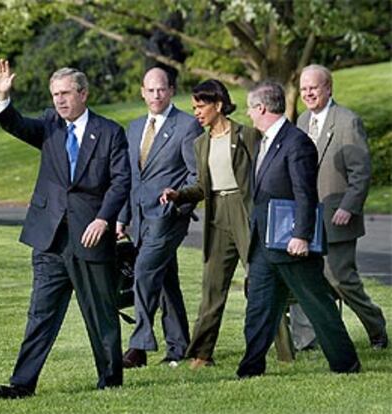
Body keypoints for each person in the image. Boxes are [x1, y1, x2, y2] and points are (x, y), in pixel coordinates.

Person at [0, 60, 131, 398]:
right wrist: (2, 97)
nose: (59, 100)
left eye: (66, 93)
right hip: (49, 238)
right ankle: (22, 384)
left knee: (101, 315)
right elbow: (17, 125)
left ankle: (110, 380)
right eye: (55, 94)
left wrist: (103, 218)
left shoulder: (110, 132)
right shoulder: (50, 125)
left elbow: (121, 181)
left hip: (90, 235)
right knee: (40, 313)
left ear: (83, 93)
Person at [236, 80, 361, 378]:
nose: (248, 114)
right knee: (259, 307)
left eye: (250, 108)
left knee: (318, 304)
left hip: (291, 242)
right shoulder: (264, 142)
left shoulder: (297, 142)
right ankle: (250, 368)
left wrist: (302, 235)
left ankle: (346, 363)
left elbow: (305, 192)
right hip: (265, 244)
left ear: (261, 108)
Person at [289, 64, 388, 351]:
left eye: (314, 87)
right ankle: (310, 340)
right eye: (304, 88)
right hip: (309, 217)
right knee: (309, 279)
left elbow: (361, 173)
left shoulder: (347, 121)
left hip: (338, 218)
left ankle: (376, 326)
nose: (308, 93)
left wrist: (349, 207)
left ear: (328, 88)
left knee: (341, 279)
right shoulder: (302, 121)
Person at [160, 79, 258, 369]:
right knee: (212, 286)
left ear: (218, 104)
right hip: (217, 215)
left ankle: (281, 349)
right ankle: (202, 353)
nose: (197, 113)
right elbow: (202, 186)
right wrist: (178, 194)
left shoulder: (248, 135)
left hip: (244, 211)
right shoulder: (200, 143)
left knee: (260, 281)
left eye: (201, 106)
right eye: (194, 108)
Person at [117, 67, 203, 368]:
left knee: (144, 272)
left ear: (171, 90)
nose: (156, 95)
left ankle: (138, 346)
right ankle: (179, 345)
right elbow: (129, 178)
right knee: (166, 281)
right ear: (142, 91)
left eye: (161, 89)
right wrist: (122, 217)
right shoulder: (134, 127)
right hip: (140, 220)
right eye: (150, 90)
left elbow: (197, 175)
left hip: (169, 218)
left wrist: (179, 204)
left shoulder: (187, 126)